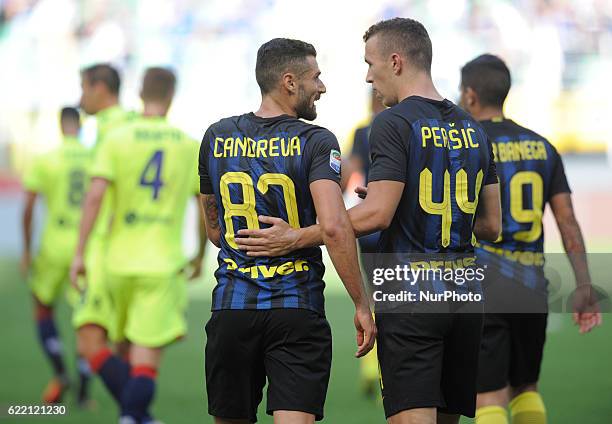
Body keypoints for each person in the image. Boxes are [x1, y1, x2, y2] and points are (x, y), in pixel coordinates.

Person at [235, 18, 502, 424]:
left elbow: (377, 214)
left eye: (370, 64)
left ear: (395, 62)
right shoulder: (474, 129)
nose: (368, 77)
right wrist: (408, 202)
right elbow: (490, 225)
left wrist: (296, 237)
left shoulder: (392, 123)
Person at [198, 38, 376, 424]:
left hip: (232, 306)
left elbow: (215, 229)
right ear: (290, 82)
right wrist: (361, 303)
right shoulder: (316, 141)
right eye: (317, 77)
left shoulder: (214, 137)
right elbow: (333, 226)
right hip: (296, 308)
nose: (322, 87)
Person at [459, 54, 602, 424]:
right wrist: (584, 284)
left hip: (484, 281)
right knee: (526, 388)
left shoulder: (469, 144)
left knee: (488, 395)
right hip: (532, 284)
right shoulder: (542, 146)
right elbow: (567, 222)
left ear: (471, 95)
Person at [70, 67, 207, 423]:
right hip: (161, 265)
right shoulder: (188, 144)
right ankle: (135, 417)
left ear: (140, 93)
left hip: (116, 263)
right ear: (172, 96)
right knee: (143, 364)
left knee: (119, 351)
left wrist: (80, 253)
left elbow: (95, 197)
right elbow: (202, 207)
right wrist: (200, 255)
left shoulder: (118, 139)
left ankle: (137, 417)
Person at [21, 107, 93, 405]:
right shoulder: (95, 157)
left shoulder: (46, 159)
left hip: (53, 244)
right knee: (85, 319)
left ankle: (61, 372)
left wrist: (26, 250)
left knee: (42, 307)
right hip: (85, 245)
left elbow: (28, 209)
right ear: (80, 125)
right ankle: (84, 395)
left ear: (60, 125)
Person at [346, 89, 385, 398]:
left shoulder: (362, 131)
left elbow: (350, 172)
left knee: (371, 295)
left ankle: (370, 366)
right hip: (393, 220)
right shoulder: (403, 126)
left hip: (368, 220)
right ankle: (384, 366)